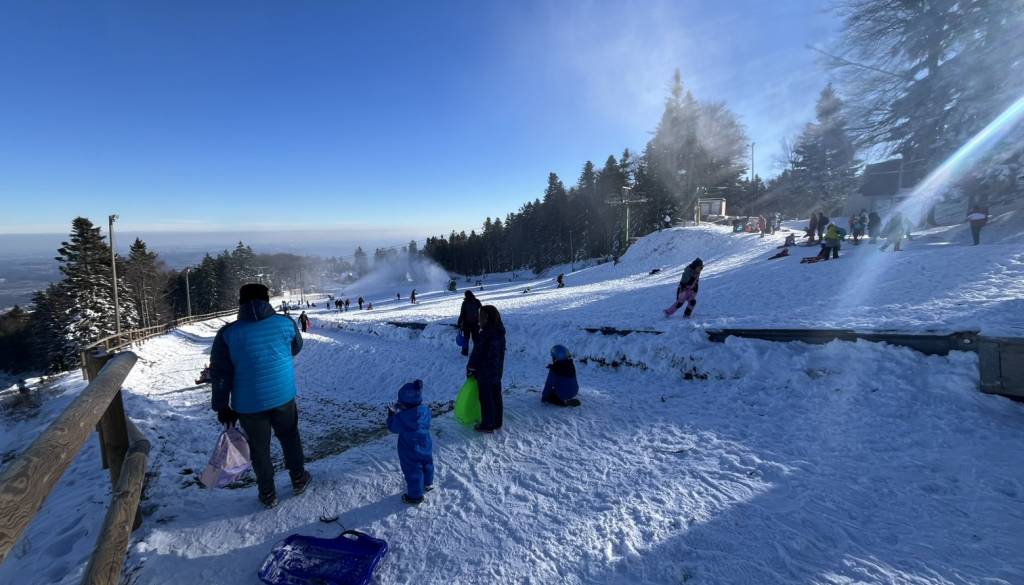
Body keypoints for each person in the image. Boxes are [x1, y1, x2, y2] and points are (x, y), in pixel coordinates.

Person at [210, 283, 309, 509]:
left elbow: (220, 371)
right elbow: (296, 347)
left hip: (248, 404)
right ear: (267, 300)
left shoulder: (228, 333)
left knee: (259, 449)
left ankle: (267, 493)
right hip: (283, 395)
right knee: (290, 437)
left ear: (241, 303)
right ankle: (298, 478)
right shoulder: (285, 323)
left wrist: (222, 405)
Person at [387, 380, 434, 505]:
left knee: (413, 472)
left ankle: (415, 497)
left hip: (409, 450)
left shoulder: (401, 418)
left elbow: (392, 427)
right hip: (425, 445)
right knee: (427, 463)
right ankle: (428, 483)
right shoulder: (426, 411)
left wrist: (391, 415)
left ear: (405, 404)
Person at [467, 305, 506, 433]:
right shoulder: (500, 331)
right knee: (496, 396)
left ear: (487, 317)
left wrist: (471, 368)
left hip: (485, 372)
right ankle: (497, 421)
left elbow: (477, 353)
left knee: (486, 398)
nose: (479, 319)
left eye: (481, 316)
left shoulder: (485, 334)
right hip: (496, 371)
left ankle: (488, 424)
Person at [457, 290, 482, 357]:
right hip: (475, 324)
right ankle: (477, 351)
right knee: (476, 338)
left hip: (466, 324)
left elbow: (462, 314)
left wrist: (459, 322)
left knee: (466, 338)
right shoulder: (477, 301)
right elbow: (481, 311)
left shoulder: (465, 303)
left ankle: (465, 351)